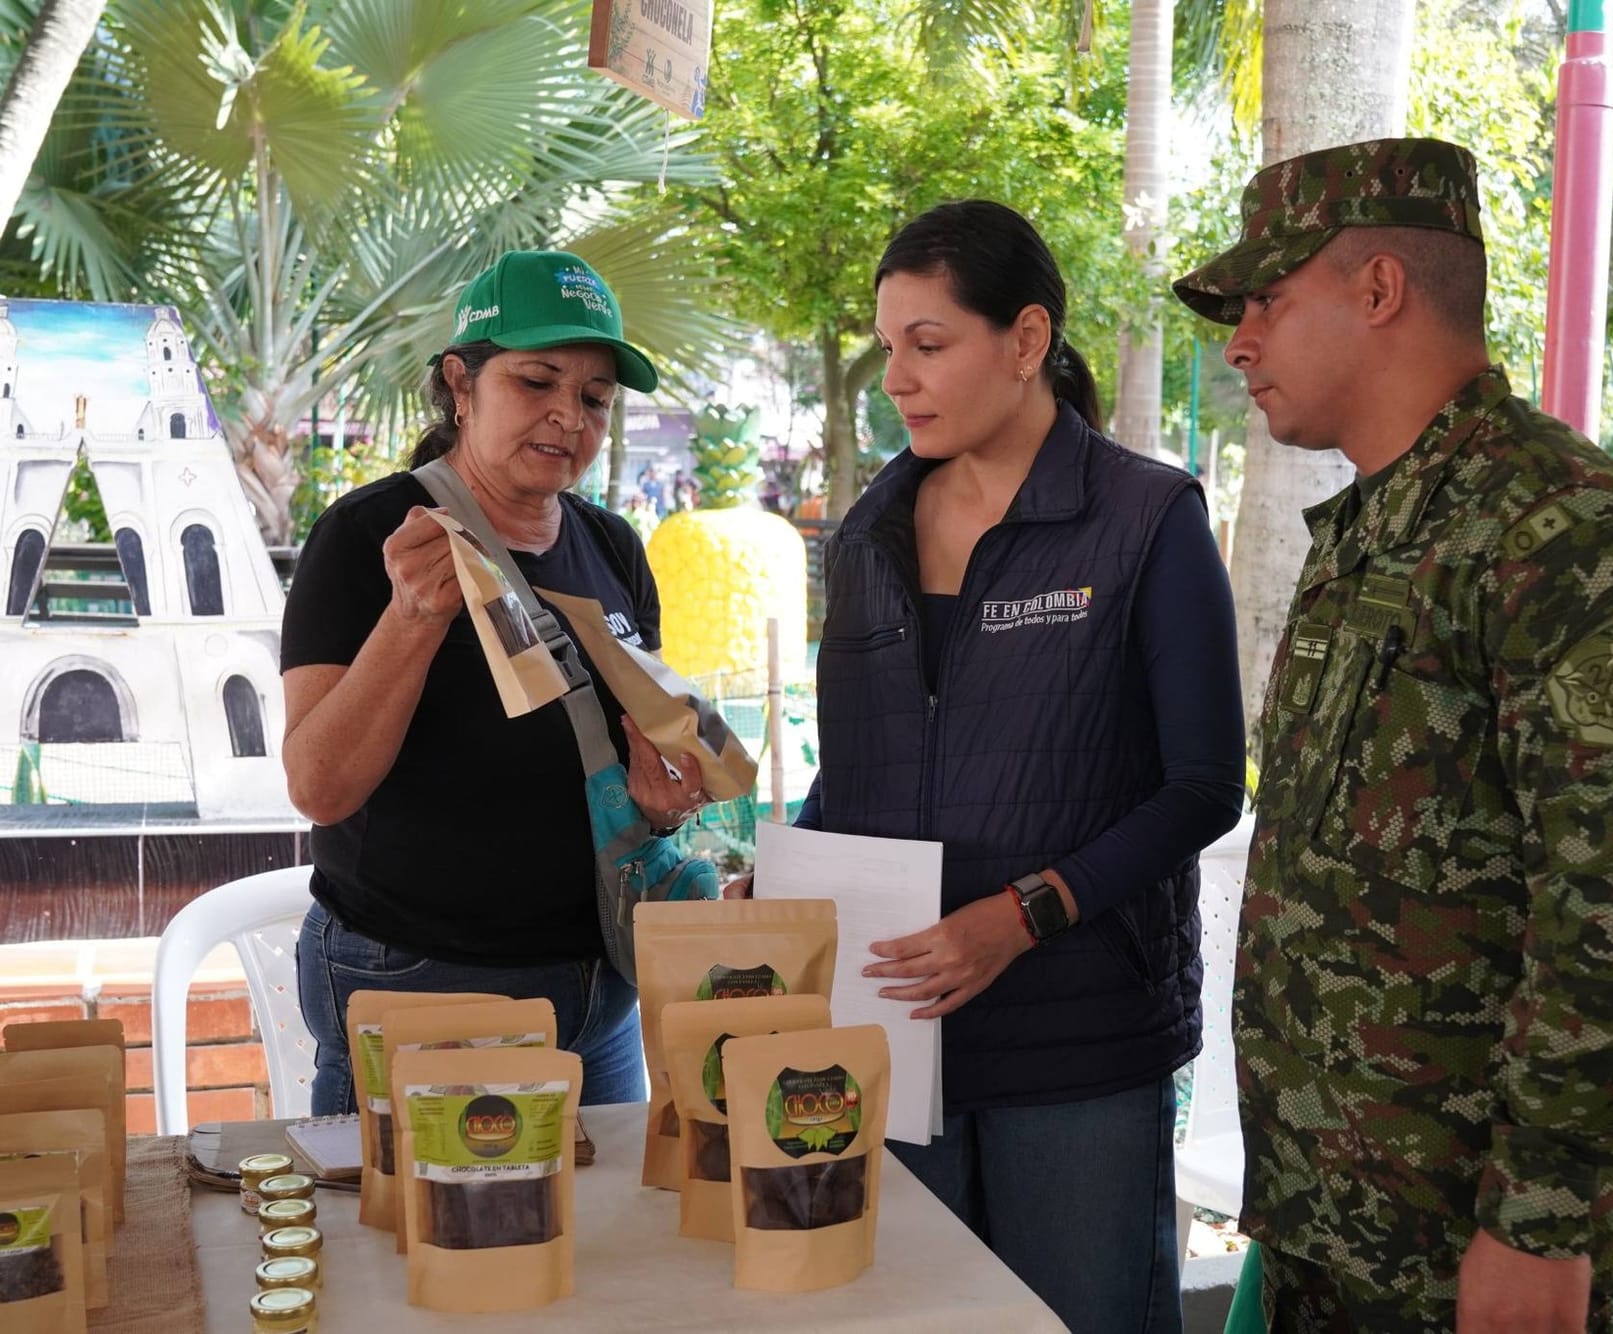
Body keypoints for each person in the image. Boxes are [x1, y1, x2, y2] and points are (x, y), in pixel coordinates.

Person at [1172, 139, 1613, 1333]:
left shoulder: (1555, 527)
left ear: (1378, 290)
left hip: (1455, 1242)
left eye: (1266, 298)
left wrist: (1538, 1220)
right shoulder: (1369, 526)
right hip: (1329, 1214)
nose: (1239, 340)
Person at [791, 199, 1245, 1332]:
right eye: (888, 347)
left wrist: (1022, 914)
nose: (896, 376)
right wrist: (786, 880)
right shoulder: (865, 536)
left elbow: (1201, 785)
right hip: (890, 1029)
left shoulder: (1146, 519)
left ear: (1027, 340)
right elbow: (849, 776)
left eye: (928, 344)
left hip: (1079, 1039)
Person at [282, 250, 713, 1114]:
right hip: (424, 980)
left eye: (593, 398)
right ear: (461, 383)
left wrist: (664, 800)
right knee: (422, 1245)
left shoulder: (613, 546)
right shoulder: (369, 536)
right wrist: (411, 620)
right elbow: (319, 787)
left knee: (593, 1245)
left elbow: (624, 764)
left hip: (601, 988)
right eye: (536, 381)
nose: (567, 416)